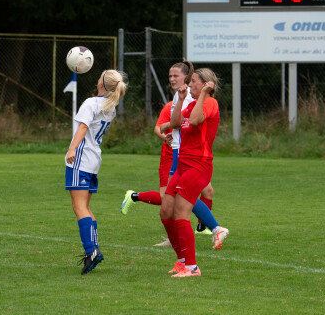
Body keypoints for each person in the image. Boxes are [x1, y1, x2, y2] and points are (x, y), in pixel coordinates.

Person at [121, 61, 216, 238]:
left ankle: (209, 228)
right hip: (179, 152)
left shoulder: (191, 97)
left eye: (176, 76)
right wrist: (169, 130)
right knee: (174, 197)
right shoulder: (178, 97)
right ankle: (208, 228)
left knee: (185, 195)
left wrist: (170, 127)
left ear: (187, 78)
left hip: (186, 152)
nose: (172, 79)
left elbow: (188, 121)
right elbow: (173, 124)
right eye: (170, 76)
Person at [160, 68, 229, 278]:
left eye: (194, 82)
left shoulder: (210, 103)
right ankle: (181, 260)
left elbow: (197, 120)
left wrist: (205, 95)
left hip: (199, 165)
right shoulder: (190, 103)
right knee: (166, 211)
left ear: (206, 84)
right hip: (183, 164)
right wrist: (180, 100)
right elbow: (174, 124)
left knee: (181, 213)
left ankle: (192, 267)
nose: (189, 86)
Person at [66, 69, 128, 275]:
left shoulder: (91, 103)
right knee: (86, 208)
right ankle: (93, 249)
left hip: (81, 160)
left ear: (102, 83)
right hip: (93, 161)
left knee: (79, 207)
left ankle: (91, 250)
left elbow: (83, 128)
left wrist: (71, 149)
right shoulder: (110, 106)